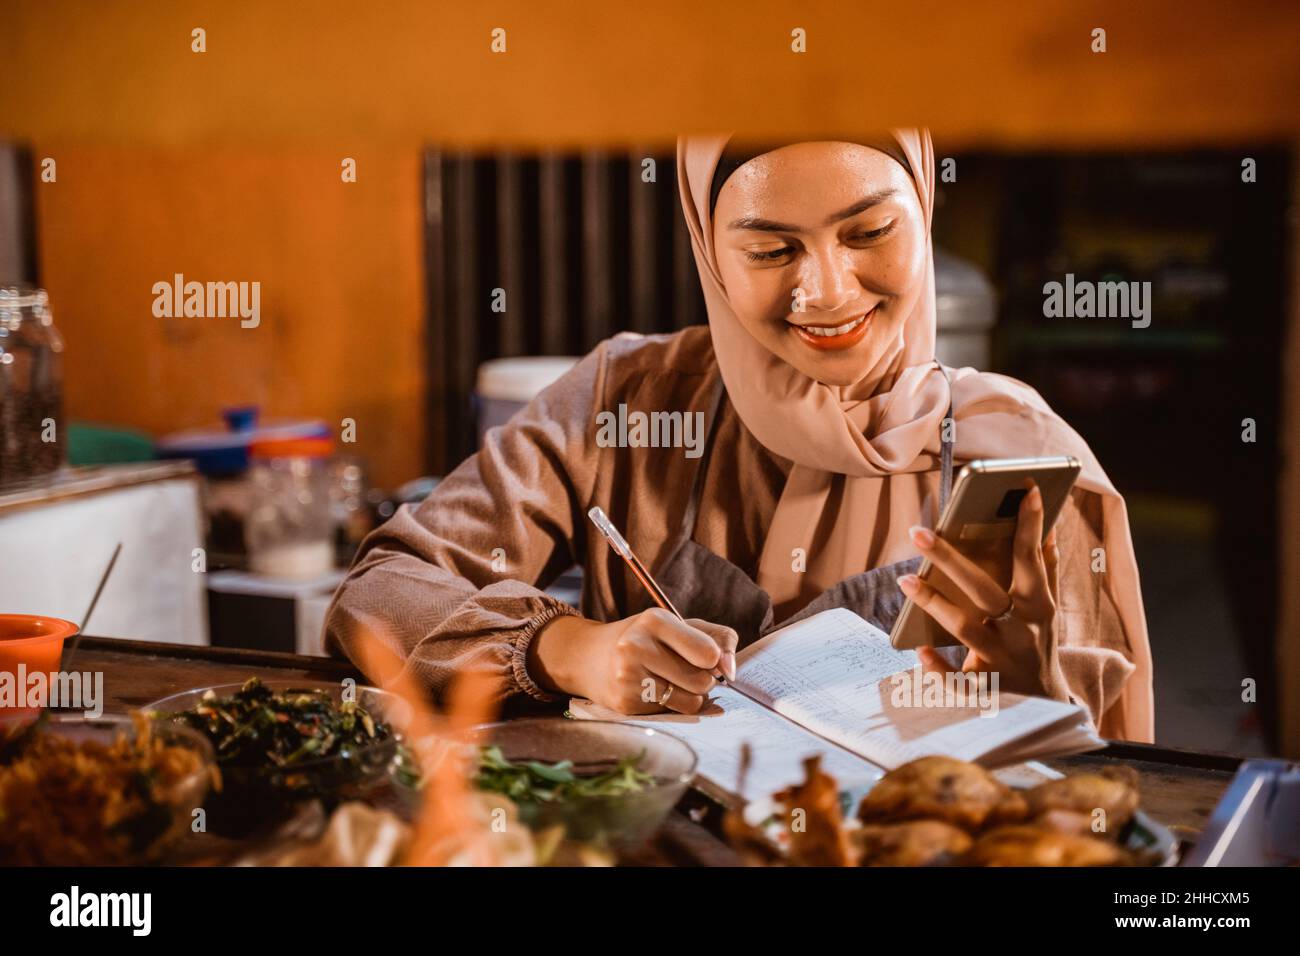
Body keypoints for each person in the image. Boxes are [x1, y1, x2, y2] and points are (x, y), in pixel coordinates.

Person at [324, 130, 1154, 742]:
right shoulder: (630, 401)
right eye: (769, 248)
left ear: (925, 217)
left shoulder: (1015, 453)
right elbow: (382, 590)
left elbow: (1115, 788)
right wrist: (563, 649)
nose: (827, 291)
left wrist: (1027, 689)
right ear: (710, 252)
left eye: (868, 233)